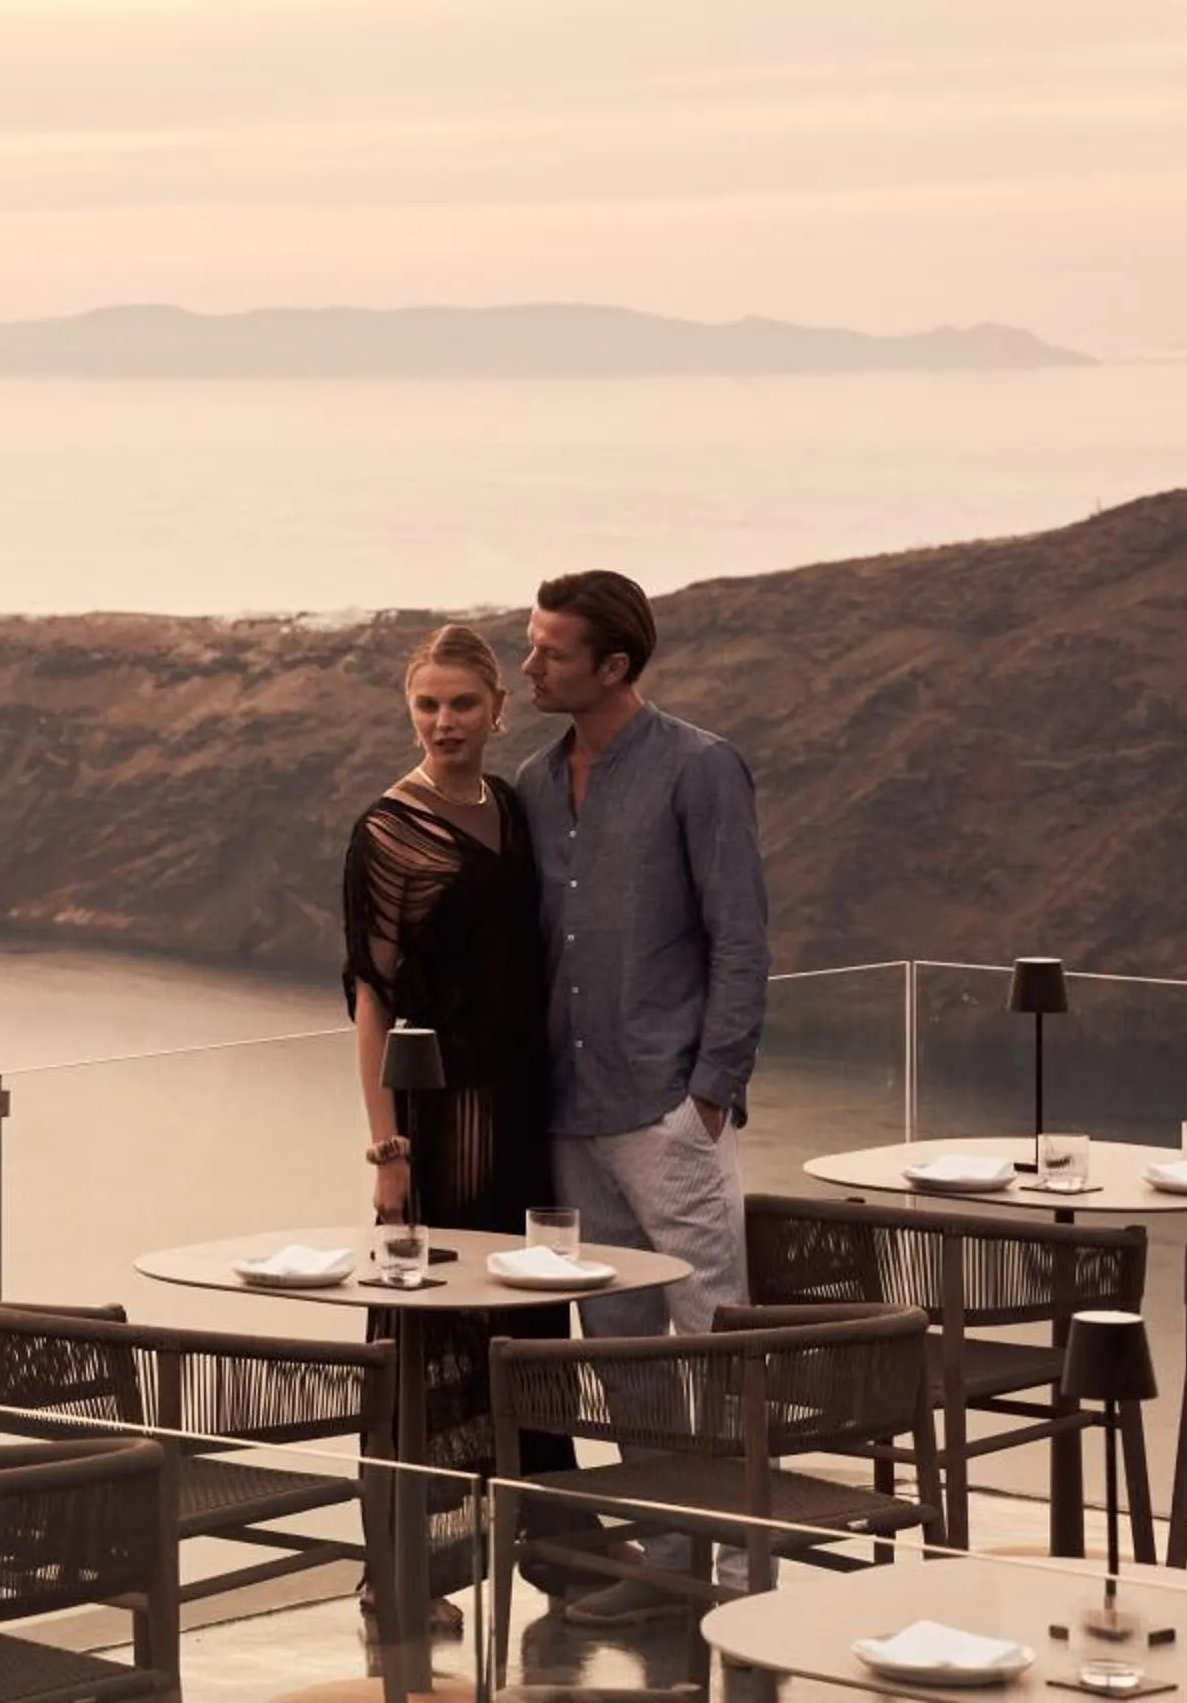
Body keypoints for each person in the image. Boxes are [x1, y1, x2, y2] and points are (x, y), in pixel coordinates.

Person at [514, 569, 769, 1625]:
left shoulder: (700, 767)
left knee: (714, 1341)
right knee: (621, 1348)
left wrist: (710, 1092)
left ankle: (747, 1580)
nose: (529, 665)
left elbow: (741, 936)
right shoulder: (533, 782)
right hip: (569, 1112)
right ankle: (670, 1563)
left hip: (667, 1107)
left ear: (613, 664)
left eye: (550, 650)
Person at [343, 623, 576, 1626]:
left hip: (522, 1105)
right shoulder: (388, 828)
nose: (445, 722)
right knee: (433, 1331)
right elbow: (371, 996)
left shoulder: (513, 808)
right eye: (428, 705)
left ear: (497, 708)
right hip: (440, 1115)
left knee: (530, 1318)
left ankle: (551, 1543)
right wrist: (388, 1149)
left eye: (463, 703)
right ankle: (400, 1572)